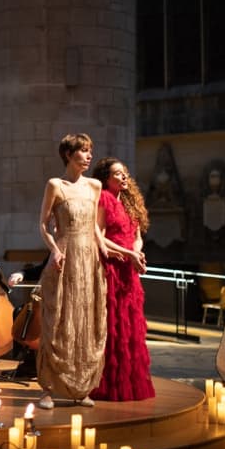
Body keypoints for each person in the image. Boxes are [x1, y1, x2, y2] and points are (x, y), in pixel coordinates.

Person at [36, 133, 108, 409]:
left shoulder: (95, 186)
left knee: (86, 322)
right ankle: (48, 389)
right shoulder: (55, 185)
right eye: (83, 150)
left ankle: (81, 388)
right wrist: (54, 249)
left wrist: (106, 249)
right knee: (58, 322)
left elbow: (94, 227)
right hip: (64, 259)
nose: (89, 155)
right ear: (68, 154)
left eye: (90, 150)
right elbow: (43, 225)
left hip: (89, 261)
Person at [90, 157, 155, 401]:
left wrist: (137, 252)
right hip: (112, 267)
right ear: (106, 179)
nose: (124, 176)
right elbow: (99, 236)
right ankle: (108, 384)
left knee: (130, 324)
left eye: (124, 172)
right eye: (117, 173)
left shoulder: (129, 202)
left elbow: (137, 236)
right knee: (113, 324)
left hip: (129, 270)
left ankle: (129, 382)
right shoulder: (104, 198)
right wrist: (129, 254)